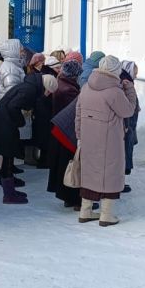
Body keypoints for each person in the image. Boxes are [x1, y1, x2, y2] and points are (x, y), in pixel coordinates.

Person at [76, 55, 137, 226]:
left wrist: (79, 135)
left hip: (88, 138)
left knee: (89, 173)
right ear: (115, 70)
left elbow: (78, 114)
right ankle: (106, 215)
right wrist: (130, 90)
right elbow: (128, 111)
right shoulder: (114, 91)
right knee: (110, 174)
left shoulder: (86, 87)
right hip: (110, 140)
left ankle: (85, 211)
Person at [0, 72, 58, 204]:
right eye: (49, 92)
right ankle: (9, 195)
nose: (48, 95)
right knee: (7, 157)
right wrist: (21, 121)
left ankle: (10, 189)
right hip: (4, 124)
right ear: (46, 87)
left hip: (2, 122)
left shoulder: (29, 87)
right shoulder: (29, 90)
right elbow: (13, 106)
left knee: (8, 157)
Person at [47, 58, 83, 208]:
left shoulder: (61, 83)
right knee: (70, 165)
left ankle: (66, 196)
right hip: (66, 131)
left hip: (60, 129)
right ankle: (72, 197)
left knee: (62, 165)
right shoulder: (69, 90)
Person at [120, 60, 140, 189]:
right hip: (126, 126)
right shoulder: (126, 84)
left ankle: (121, 181)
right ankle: (119, 183)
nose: (136, 76)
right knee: (123, 155)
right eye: (135, 73)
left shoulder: (126, 81)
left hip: (129, 126)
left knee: (124, 154)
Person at [0, 39, 25, 103]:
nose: (23, 53)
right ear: (14, 51)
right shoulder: (9, 69)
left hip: (8, 108)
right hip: (9, 110)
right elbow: (12, 93)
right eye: (20, 50)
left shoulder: (13, 66)